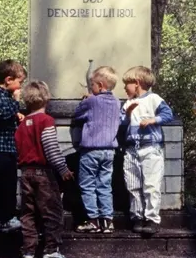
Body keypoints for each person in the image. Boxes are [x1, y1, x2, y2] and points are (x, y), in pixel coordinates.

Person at [15, 80, 76, 258]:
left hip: (25, 173)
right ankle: (51, 253)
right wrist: (63, 169)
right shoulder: (46, 121)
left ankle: (28, 253)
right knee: (52, 212)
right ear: (46, 98)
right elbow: (51, 148)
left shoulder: (21, 124)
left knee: (28, 213)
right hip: (43, 173)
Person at [120, 65, 174, 236]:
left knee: (151, 184)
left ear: (137, 83)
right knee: (133, 184)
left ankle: (152, 218)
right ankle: (137, 216)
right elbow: (122, 124)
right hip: (131, 149)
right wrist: (127, 115)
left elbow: (168, 114)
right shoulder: (128, 103)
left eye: (127, 84)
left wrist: (153, 120)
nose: (124, 88)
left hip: (150, 148)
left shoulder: (154, 99)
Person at [71, 65, 120, 234]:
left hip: (91, 150)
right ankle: (107, 221)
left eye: (92, 85)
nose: (90, 89)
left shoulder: (91, 101)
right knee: (105, 185)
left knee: (87, 185)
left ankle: (92, 220)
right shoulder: (116, 102)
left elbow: (77, 114)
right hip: (109, 151)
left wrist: (85, 100)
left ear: (100, 85)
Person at [0, 58, 26, 233]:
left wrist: (16, 114)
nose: (20, 87)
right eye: (19, 82)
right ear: (8, 79)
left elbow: (7, 114)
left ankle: (7, 216)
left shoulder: (4, 96)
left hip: (7, 148)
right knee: (4, 185)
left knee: (9, 183)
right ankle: (2, 219)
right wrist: (15, 103)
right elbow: (2, 114)